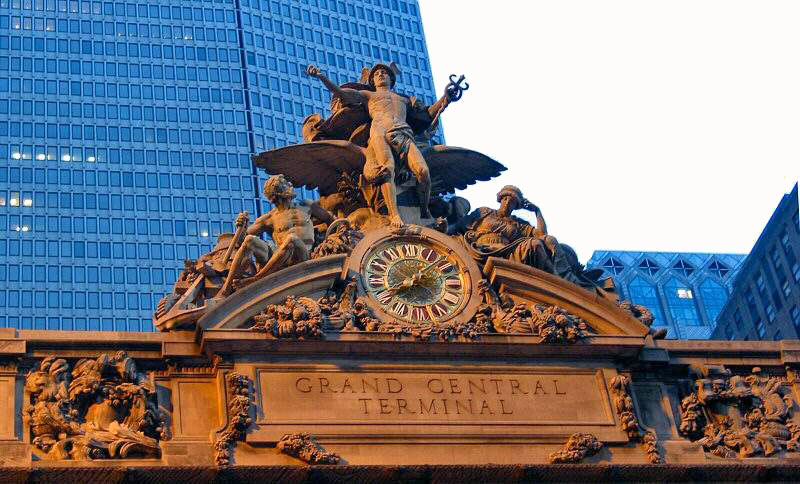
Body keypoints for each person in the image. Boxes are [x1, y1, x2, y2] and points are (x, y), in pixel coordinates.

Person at [306, 63, 450, 226]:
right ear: (372, 81)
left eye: (384, 72)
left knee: (423, 171)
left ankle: (424, 210)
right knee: (386, 170)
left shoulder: (405, 100)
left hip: (402, 132)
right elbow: (341, 93)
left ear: (391, 79)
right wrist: (321, 76)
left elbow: (427, 115)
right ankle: (394, 215)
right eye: (376, 74)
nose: (380, 74)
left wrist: (446, 98)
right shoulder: (368, 95)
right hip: (379, 131)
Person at [219, 175, 334, 296]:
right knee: (249, 240)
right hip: (281, 259)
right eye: (284, 183)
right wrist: (243, 226)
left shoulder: (306, 205)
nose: (289, 185)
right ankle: (227, 287)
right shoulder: (269, 218)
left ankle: (257, 278)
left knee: (292, 238)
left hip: (302, 256)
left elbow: (330, 219)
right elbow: (241, 240)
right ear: (276, 194)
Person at [448, 185, 557, 272]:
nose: (507, 203)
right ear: (500, 200)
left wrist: (537, 211)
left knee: (536, 244)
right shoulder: (484, 212)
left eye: (512, 202)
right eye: (505, 199)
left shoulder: (519, 223)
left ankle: (552, 279)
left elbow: (541, 234)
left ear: (516, 206)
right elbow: (459, 225)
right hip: (479, 248)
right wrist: (443, 230)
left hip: (506, 252)